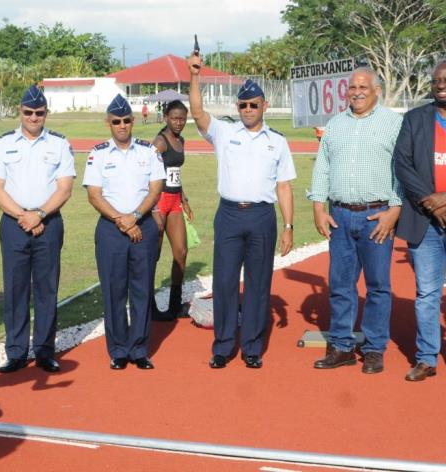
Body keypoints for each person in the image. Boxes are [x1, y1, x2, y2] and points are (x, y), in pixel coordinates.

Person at [187, 51, 295, 369]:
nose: (248, 109)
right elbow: (196, 111)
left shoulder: (277, 141)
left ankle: (251, 347)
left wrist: (289, 226)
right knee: (225, 281)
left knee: (259, 284)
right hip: (230, 215)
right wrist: (195, 75)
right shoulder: (225, 133)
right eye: (243, 105)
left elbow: (285, 186)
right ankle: (222, 346)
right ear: (238, 107)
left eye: (254, 104)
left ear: (264, 106)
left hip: (262, 216)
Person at [308, 67, 403, 375]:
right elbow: (322, 167)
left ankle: (374, 349)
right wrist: (318, 207)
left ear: (376, 90)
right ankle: (342, 347)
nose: (357, 92)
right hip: (341, 216)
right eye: (352, 87)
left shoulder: (393, 123)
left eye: (363, 87)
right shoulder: (335, 124)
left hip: (377, 216)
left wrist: (395, 209)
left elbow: (404, 170)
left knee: (377, 286)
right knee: (340, 285)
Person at [0, 85, 75, 374]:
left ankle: (45, 351)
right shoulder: (4, 143)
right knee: (15, 288)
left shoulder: (59, 144)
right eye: (28, 112)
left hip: (48, 222)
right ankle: (16, 352)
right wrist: (23, 216)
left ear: (45, 113)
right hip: (13, 224)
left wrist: (38, 215)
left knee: (47, 289)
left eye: (39, 113)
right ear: (19, 112)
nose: (34, 117)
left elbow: (65, 188)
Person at [83, 94, 165, 370]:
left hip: (144, 226)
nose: (122, 125)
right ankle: (118, 349)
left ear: (133, 121)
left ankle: (139, 349)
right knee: (113, 291)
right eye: (116, 121)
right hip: (111, 230)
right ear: (109, 123)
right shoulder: (98, 154)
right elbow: (94, 195)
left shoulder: (148, 151)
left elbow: (156, 187)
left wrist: (136, 217)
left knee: (142, 290)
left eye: (126, 121)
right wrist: (122, 220)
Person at [394, 61, 446, 382]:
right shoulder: (415, 119)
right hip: (425, 221)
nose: (441, 83)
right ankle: (427, 357)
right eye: (436, 79)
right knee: (427, 292)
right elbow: (402, 165)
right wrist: (432, 201)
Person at [150, 100, 195, 321]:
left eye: (183, 119)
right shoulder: (160, 141)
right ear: (166, 117)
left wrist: (184, 198)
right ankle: (148, 306)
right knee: (153, 255)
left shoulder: (181, 140)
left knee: (181, 252)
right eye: (175, 118)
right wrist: (152, 208)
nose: (179, 123)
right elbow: (147, 171)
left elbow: (174, 172)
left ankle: (174, 305)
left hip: (175, 199)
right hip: (159, 201)